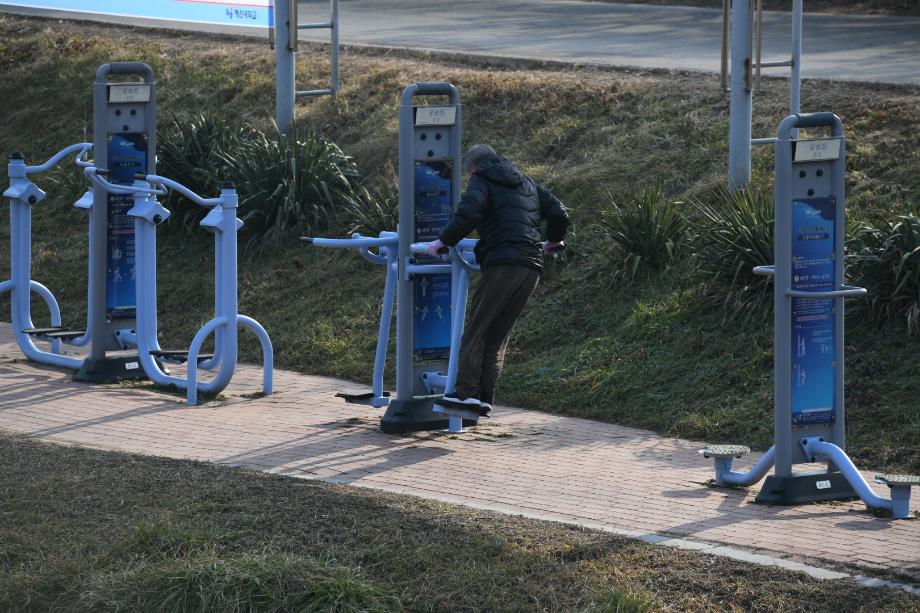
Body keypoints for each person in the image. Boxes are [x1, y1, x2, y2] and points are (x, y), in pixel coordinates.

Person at [427, 144, 570, 416]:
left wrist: (442, 241)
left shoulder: (482, 179)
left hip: (503, 262)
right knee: (497, 334)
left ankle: (465, 394)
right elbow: (559, 212)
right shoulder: (526, 181)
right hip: (531, 266)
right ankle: (484, 397)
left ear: (475, 167)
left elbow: (470, 213)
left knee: (477, 328)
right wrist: (553, 240)